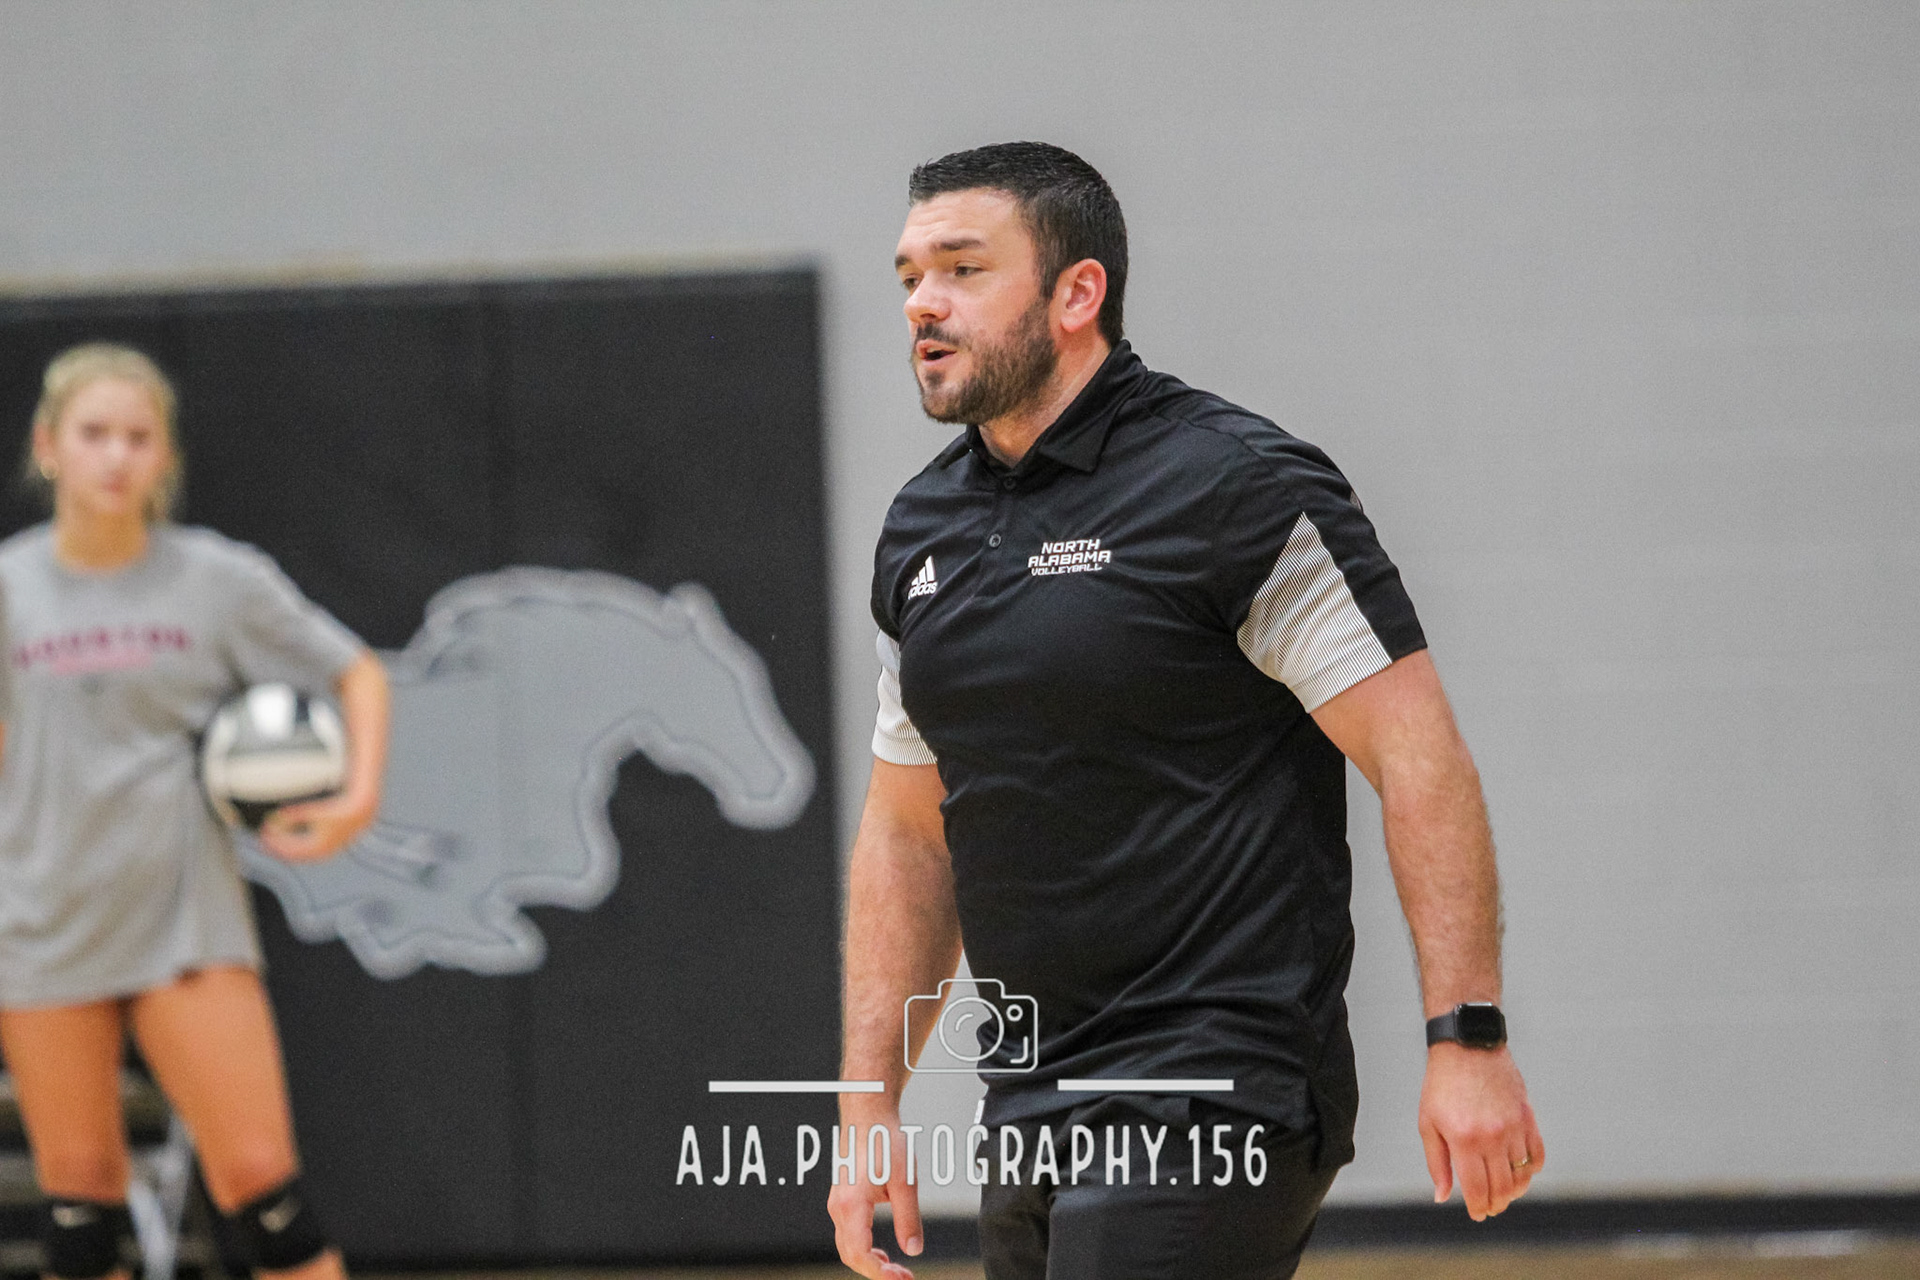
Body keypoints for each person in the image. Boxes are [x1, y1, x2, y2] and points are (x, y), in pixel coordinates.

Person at [829, 143, 1545, 1280]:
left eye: (963, 269)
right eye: (911, 275)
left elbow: (1418, 754)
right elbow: (910, 833)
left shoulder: (1233, 486)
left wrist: (1468, 1038)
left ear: (1077, 293)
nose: (923, 302)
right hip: (1030, 1096)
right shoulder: (922, 532)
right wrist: (868, 1098)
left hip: (1219, 1083)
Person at [0, 343, 390, 1279]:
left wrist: (356, 798)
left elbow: (356, 671)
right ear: (49, 446)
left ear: (165, 457)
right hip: (43, 920)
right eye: (94, 433)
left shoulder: (216, 580)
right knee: (78, 1213)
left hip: (184, 918)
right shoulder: (9, 585)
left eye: (138, 437)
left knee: (265, 1194)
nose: (116, 455)